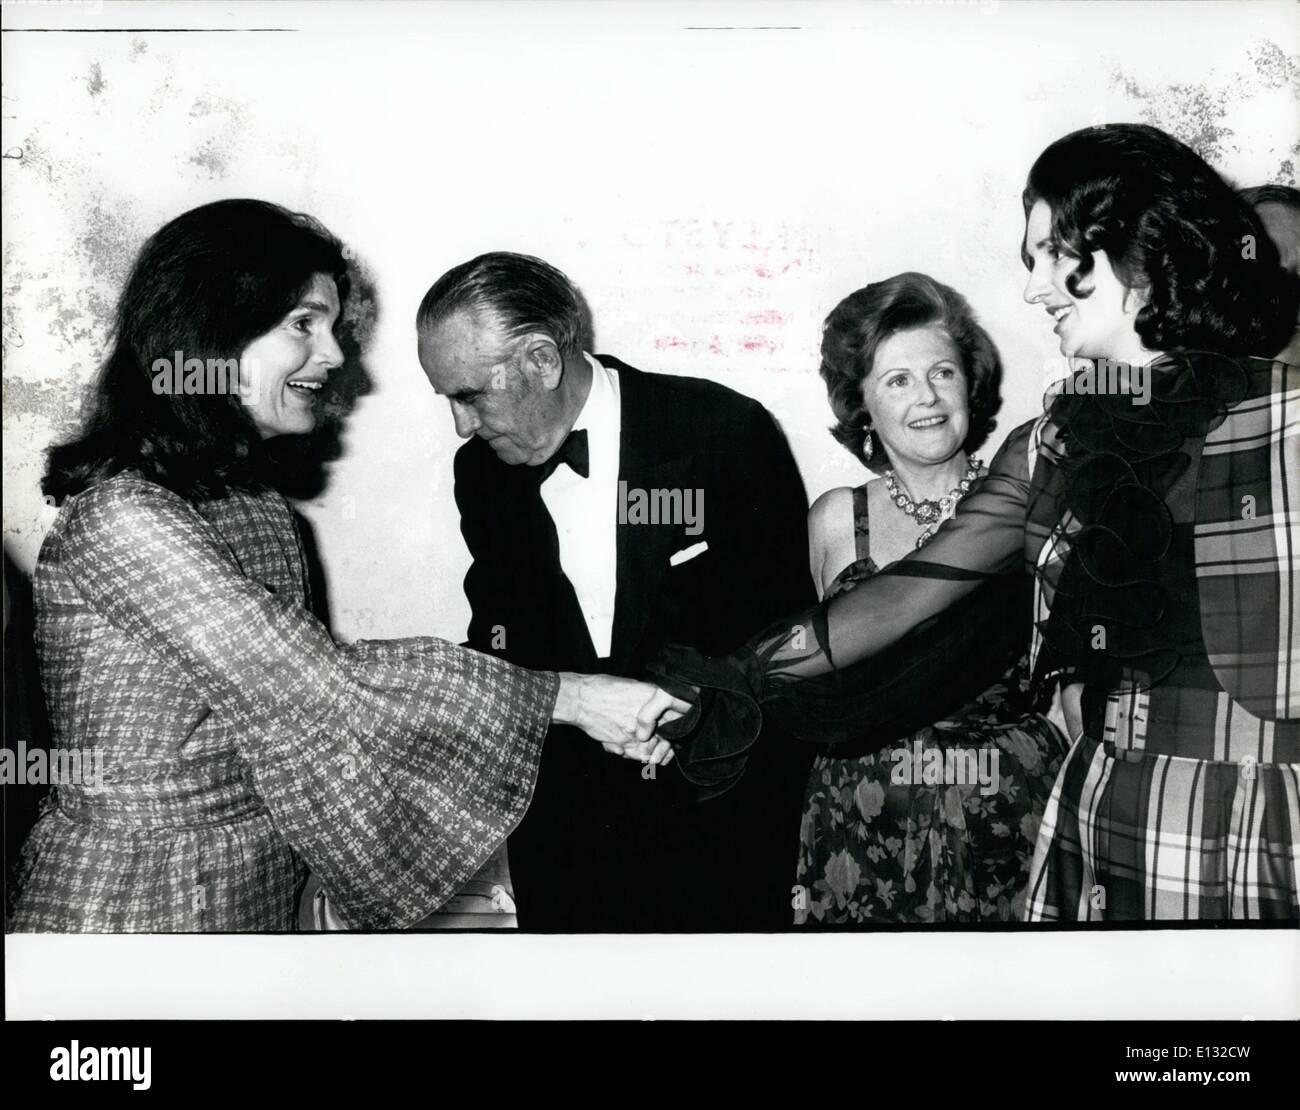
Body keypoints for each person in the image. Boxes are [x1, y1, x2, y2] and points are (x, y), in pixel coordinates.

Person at [652, 123, 1300, 921]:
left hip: (1260, 817)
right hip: (1101, 808)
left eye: (1055, 258)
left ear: (1136, 249)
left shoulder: (1289, 413)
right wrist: (726, 684)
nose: (1034, 290)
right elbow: (907, 594)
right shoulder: (1054, 442)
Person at [8, 200, 683, 934]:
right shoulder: (123, 521)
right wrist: (574, 699)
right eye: (303, 323)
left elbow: (296, 738)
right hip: (132, 908)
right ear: (207, 334)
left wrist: (333, 868)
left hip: (253, 894)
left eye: (330, 325)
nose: (332, 356)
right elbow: (322, 689)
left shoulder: (258, 509)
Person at [418, 252, 816, 930]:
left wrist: (688, 707)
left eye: (470, 395)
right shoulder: (480, 472)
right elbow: (501, 634)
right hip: (567, 840)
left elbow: (788, 633)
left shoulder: (722, 430)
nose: (461, 425)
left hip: (719, 822)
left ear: (542, 359)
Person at [797, 273, 1067, 923]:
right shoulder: (835, 520)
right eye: (898, 380)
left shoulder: (1034, 502)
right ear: (860, 403)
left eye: (942, 372)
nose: (928, 397)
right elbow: (810, 685)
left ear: (970, 382)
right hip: (858, 825)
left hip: (1007, 818)